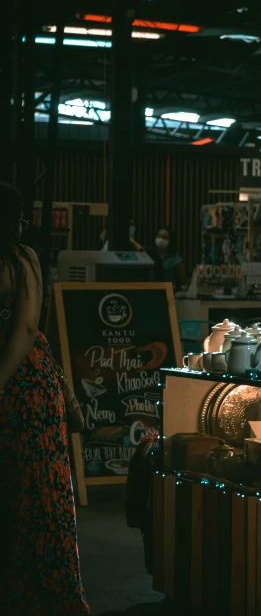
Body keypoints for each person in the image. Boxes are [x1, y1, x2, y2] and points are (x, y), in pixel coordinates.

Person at [0, 182, 90, 615]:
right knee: (37, 494)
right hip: (29, 383)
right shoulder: (22, 258)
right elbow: (25, 326)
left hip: (16, 382)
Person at [148, 226, 187, 291]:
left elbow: (183, 285)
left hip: (169, 293)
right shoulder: (150, 256)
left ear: (170, 241)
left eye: (165, 238)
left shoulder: (176, 260)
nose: (161, 239)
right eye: (159, 236)